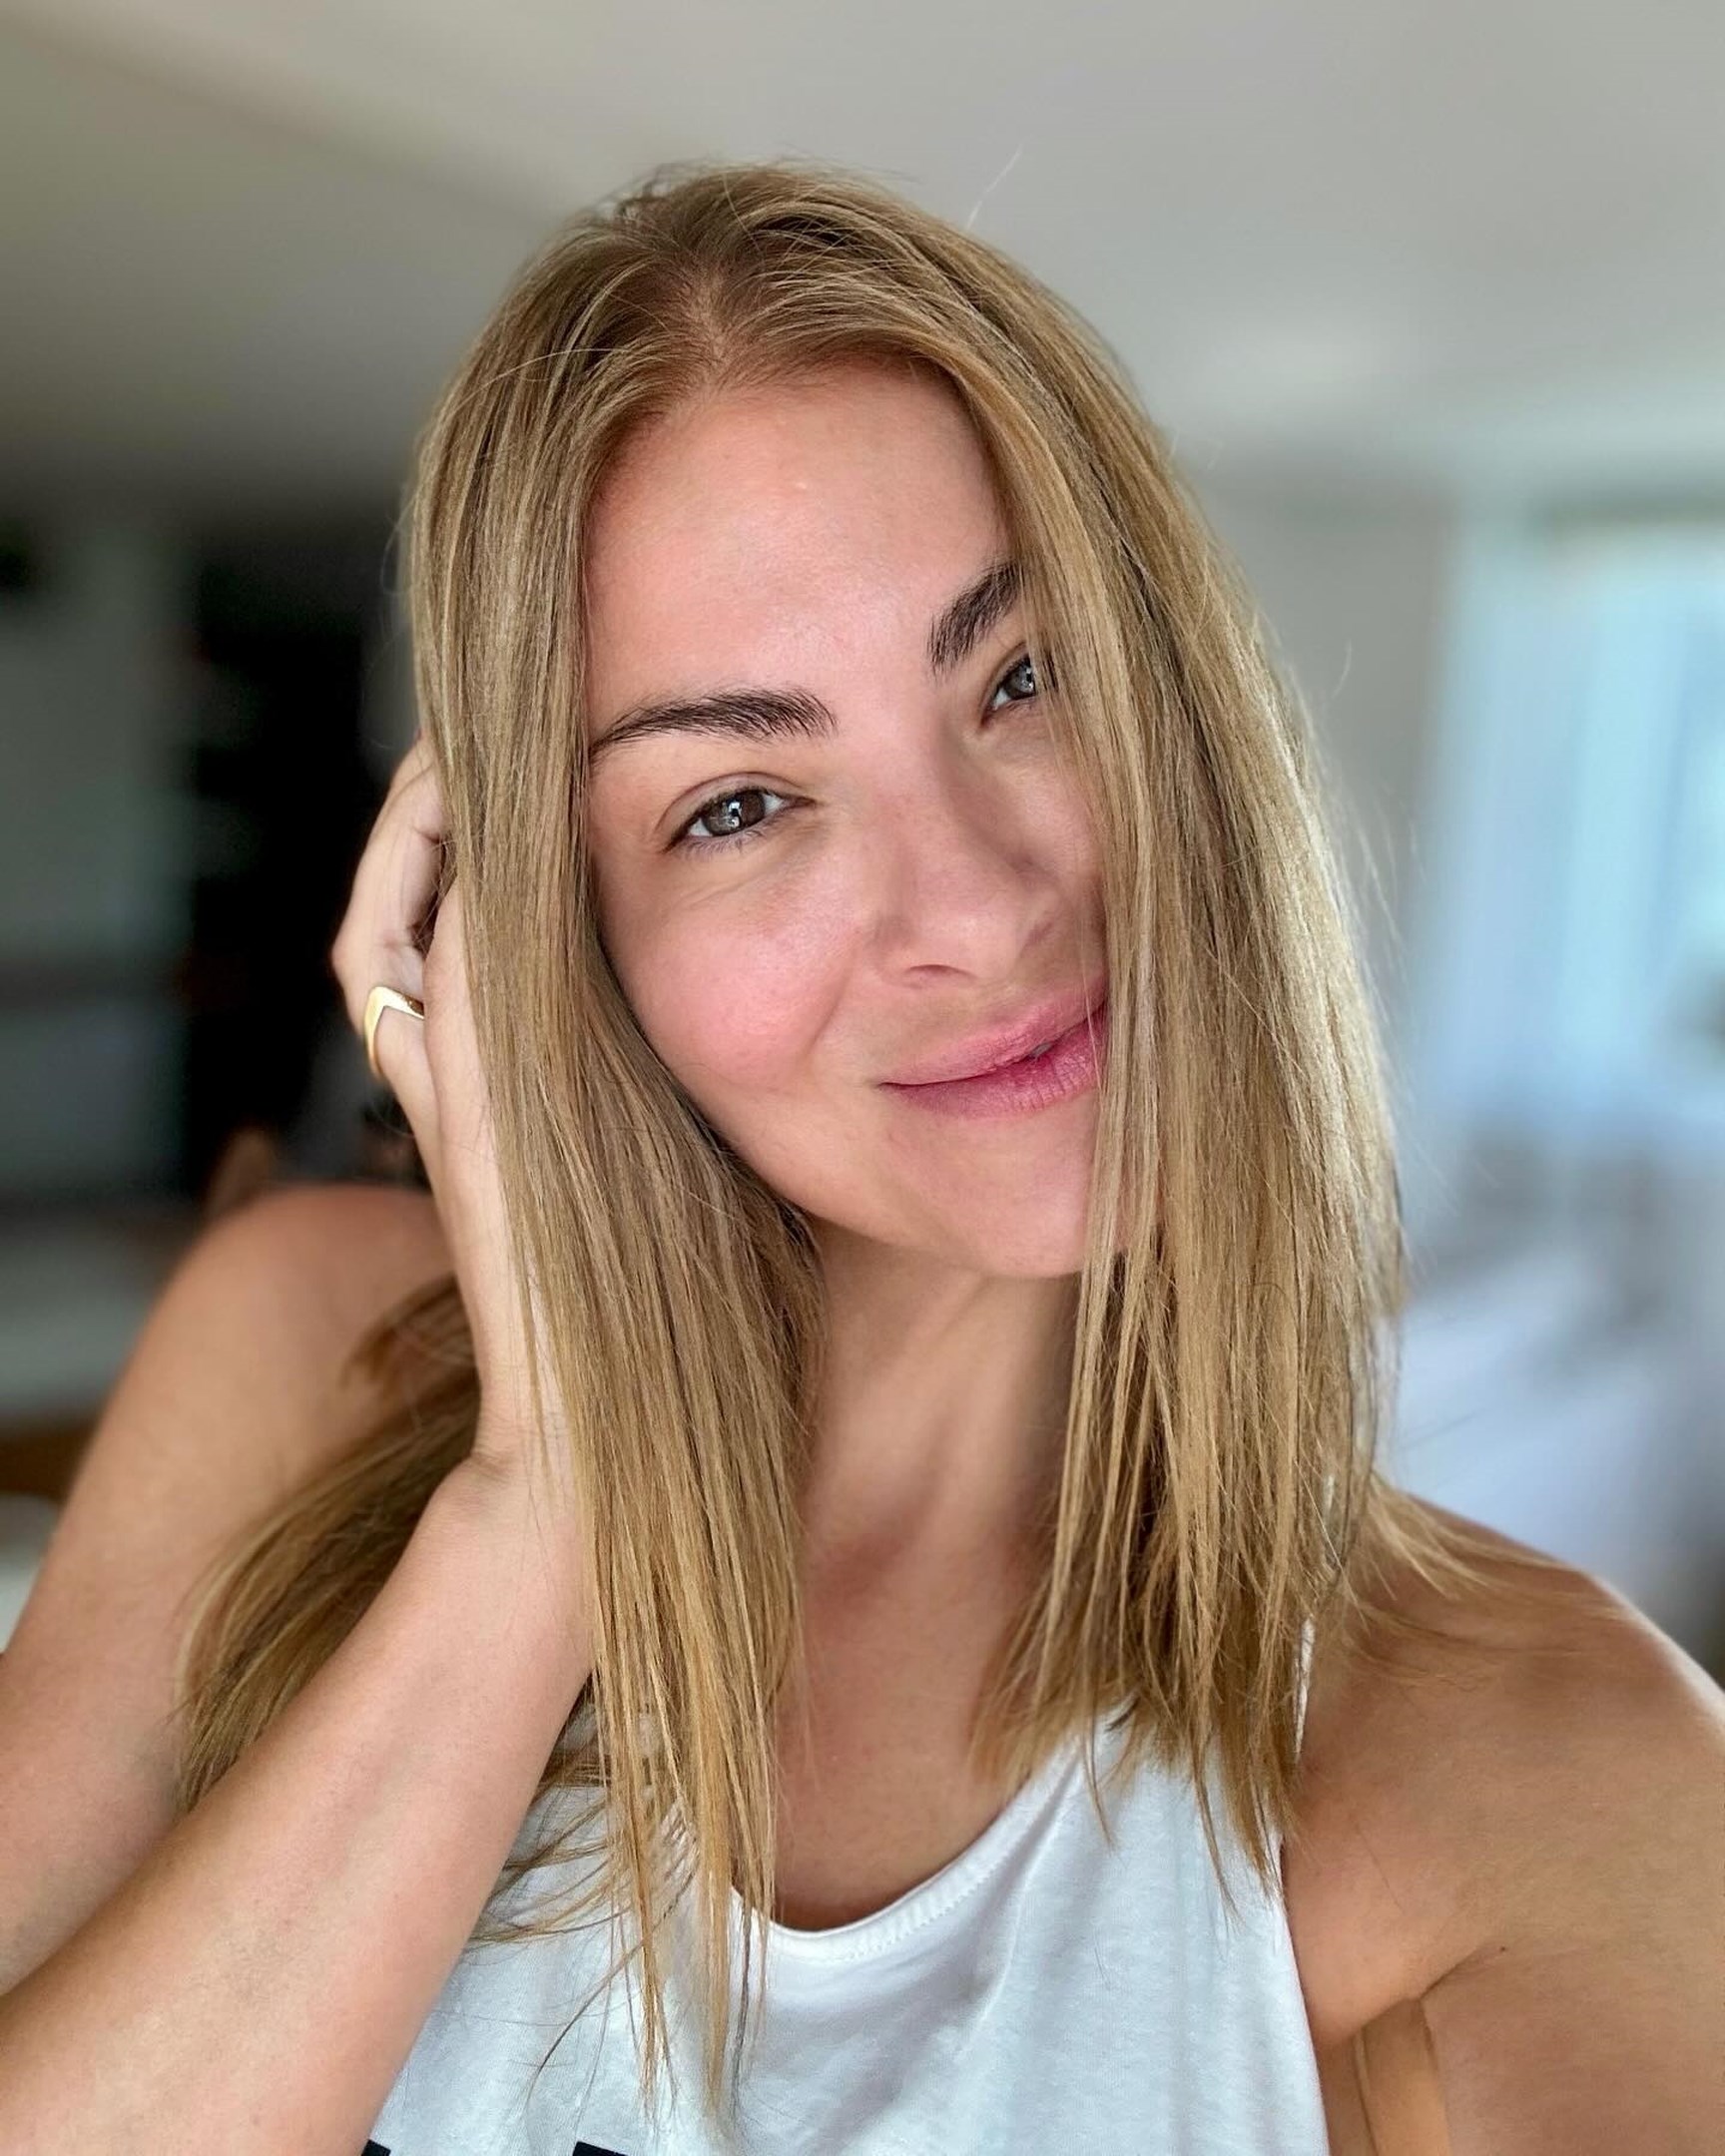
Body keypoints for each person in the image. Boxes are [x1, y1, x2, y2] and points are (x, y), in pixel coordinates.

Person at [0, 159, 1718, 2155]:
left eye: (1024, 677)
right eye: (739, 803)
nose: (976, 910)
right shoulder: (304, 1353)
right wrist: (550, 1514)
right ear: (548, 937)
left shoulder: (1560, 1768)